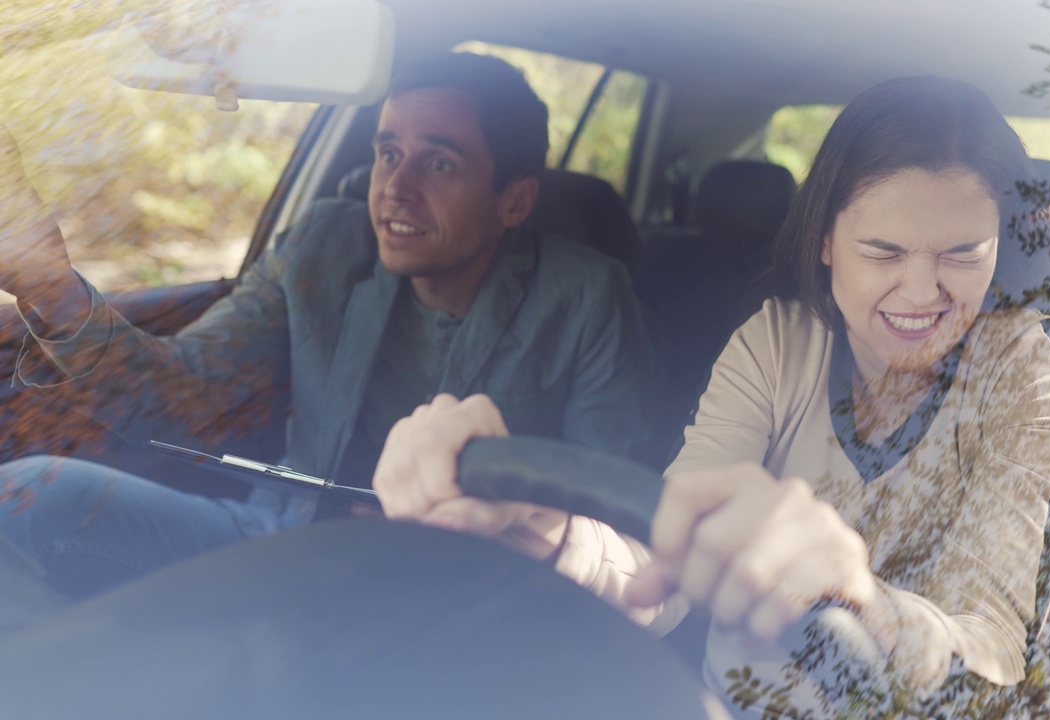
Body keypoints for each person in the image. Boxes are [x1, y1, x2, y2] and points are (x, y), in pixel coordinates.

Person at [368, 76, 1050, 715]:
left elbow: (995, 657)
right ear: (826, 241)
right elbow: (658, 564)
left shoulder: (1021, 372)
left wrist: (872, 609)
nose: (923, 292)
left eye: (963, 254)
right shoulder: (777, 344)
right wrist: (546, 524)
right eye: (884, 252)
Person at [0, 52, 655, 608]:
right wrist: (49, 287)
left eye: (439, 165)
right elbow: (179, 399)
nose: (395, 188)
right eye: (388, 153)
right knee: (26, 493)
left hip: (454, 591)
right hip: (284, 538)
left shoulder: (585, 294)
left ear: (514, 200)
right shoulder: (321, 244)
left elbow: (603, 509)